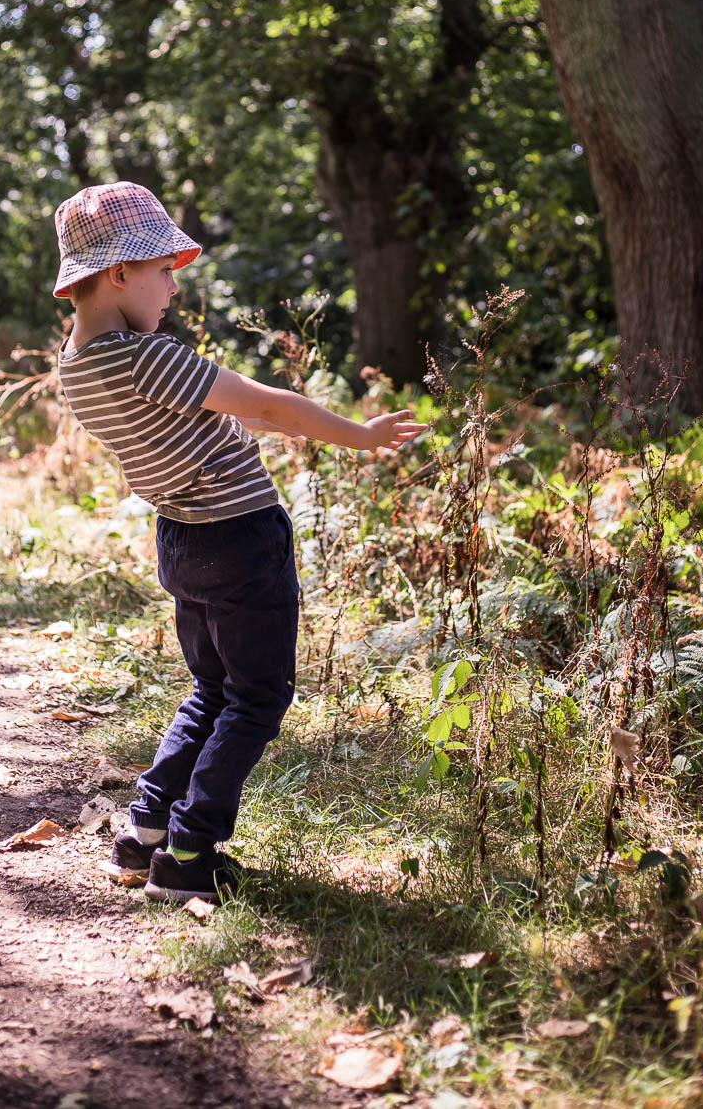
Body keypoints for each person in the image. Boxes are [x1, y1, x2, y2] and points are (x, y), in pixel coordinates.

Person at [54, 182, 426, 902]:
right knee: (257, 698)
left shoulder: (80, 367)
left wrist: (256, 423)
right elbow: (261, 403)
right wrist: (360, 436)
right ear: (117, 273)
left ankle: (146, 831)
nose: (173, 286)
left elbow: (205, 420)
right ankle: (190, 856)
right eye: (163, 269)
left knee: (213, 688)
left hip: (183, 539)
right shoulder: (143, 357)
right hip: (240, 538)